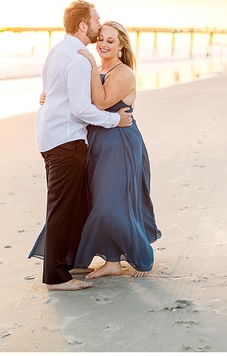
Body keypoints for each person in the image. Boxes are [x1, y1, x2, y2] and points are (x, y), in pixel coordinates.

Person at [29, 0, 133, 292]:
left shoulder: (58, 51)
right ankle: (55, 277)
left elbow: (53, 93)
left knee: (74, 205)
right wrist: (115, 121)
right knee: (61, 208)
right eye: (96, 21)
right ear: (84, 24)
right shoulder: (76, 58)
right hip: (65, 139)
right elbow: (82, 109)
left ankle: (68, 262)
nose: (99, 26)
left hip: (51, 136)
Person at [73, 21, 161, 278]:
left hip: (120, 143)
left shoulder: (123, 73)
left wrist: (89, 65)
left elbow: (100, 102)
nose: (102, 44)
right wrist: (50, 97)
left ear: (121, 46)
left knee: (110, 206)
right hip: (97, 141)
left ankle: (143, 256)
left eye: (110, 41)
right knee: (99, 201)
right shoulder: (100, 69)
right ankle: (112, 261)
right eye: (100, 38)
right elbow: (80, 102)